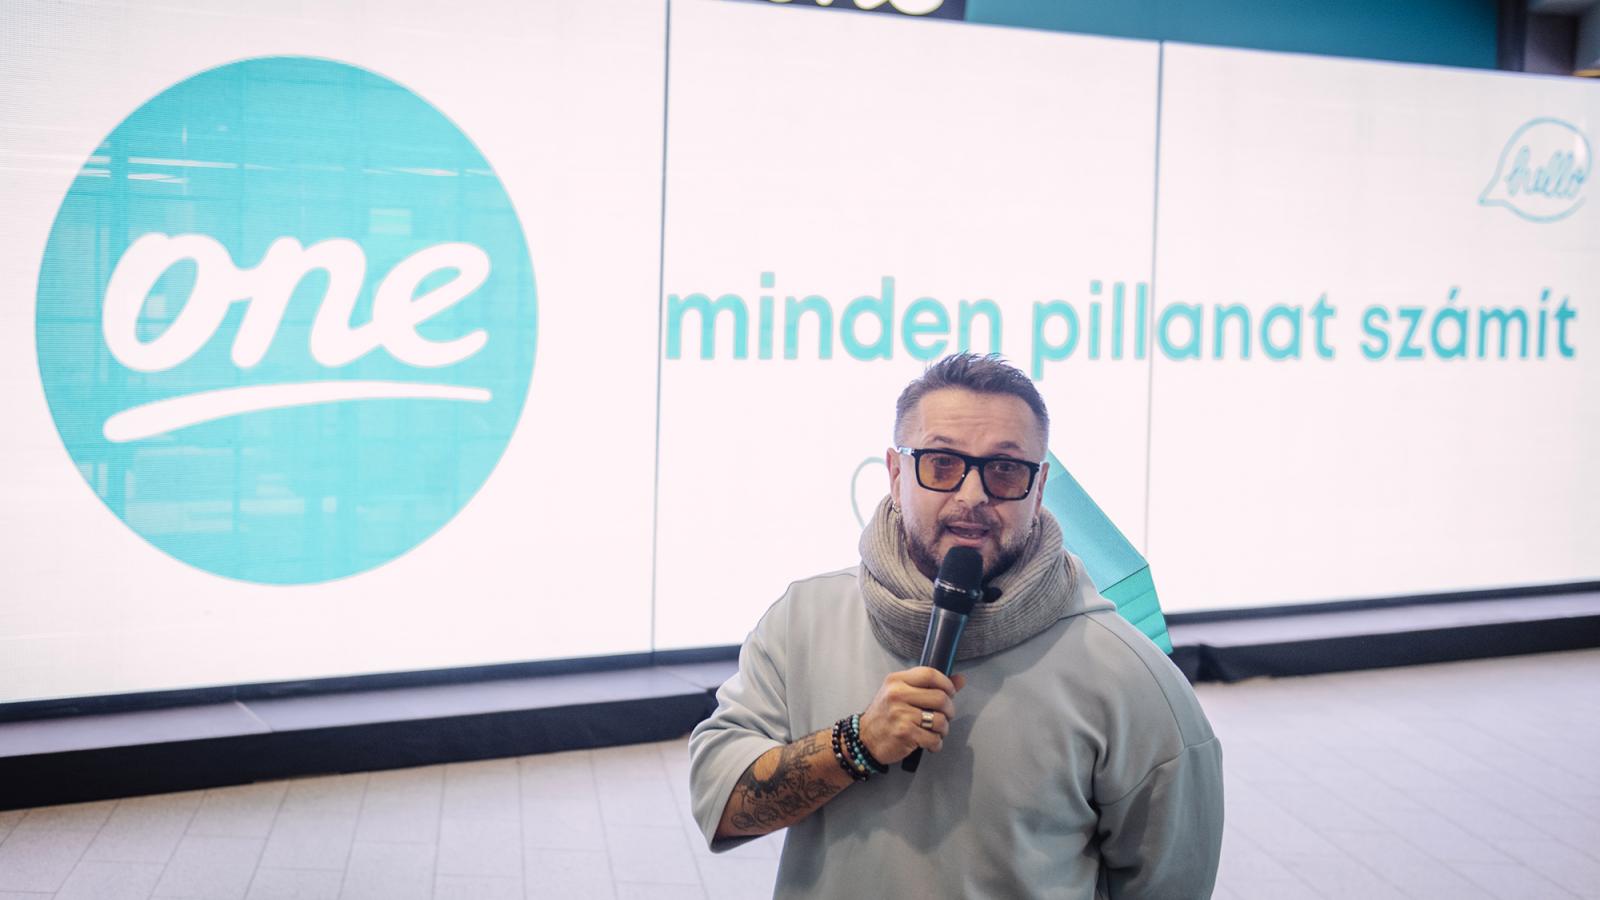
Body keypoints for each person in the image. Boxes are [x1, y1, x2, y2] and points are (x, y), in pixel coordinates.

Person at [688, 352, 1224, 899]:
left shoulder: (1130, 676)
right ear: (896, 475)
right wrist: (855, 745)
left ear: (1039, 487)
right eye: (941, 463)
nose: (972, 496)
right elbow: (719, 804)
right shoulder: (803, 620)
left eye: (1005, 469)